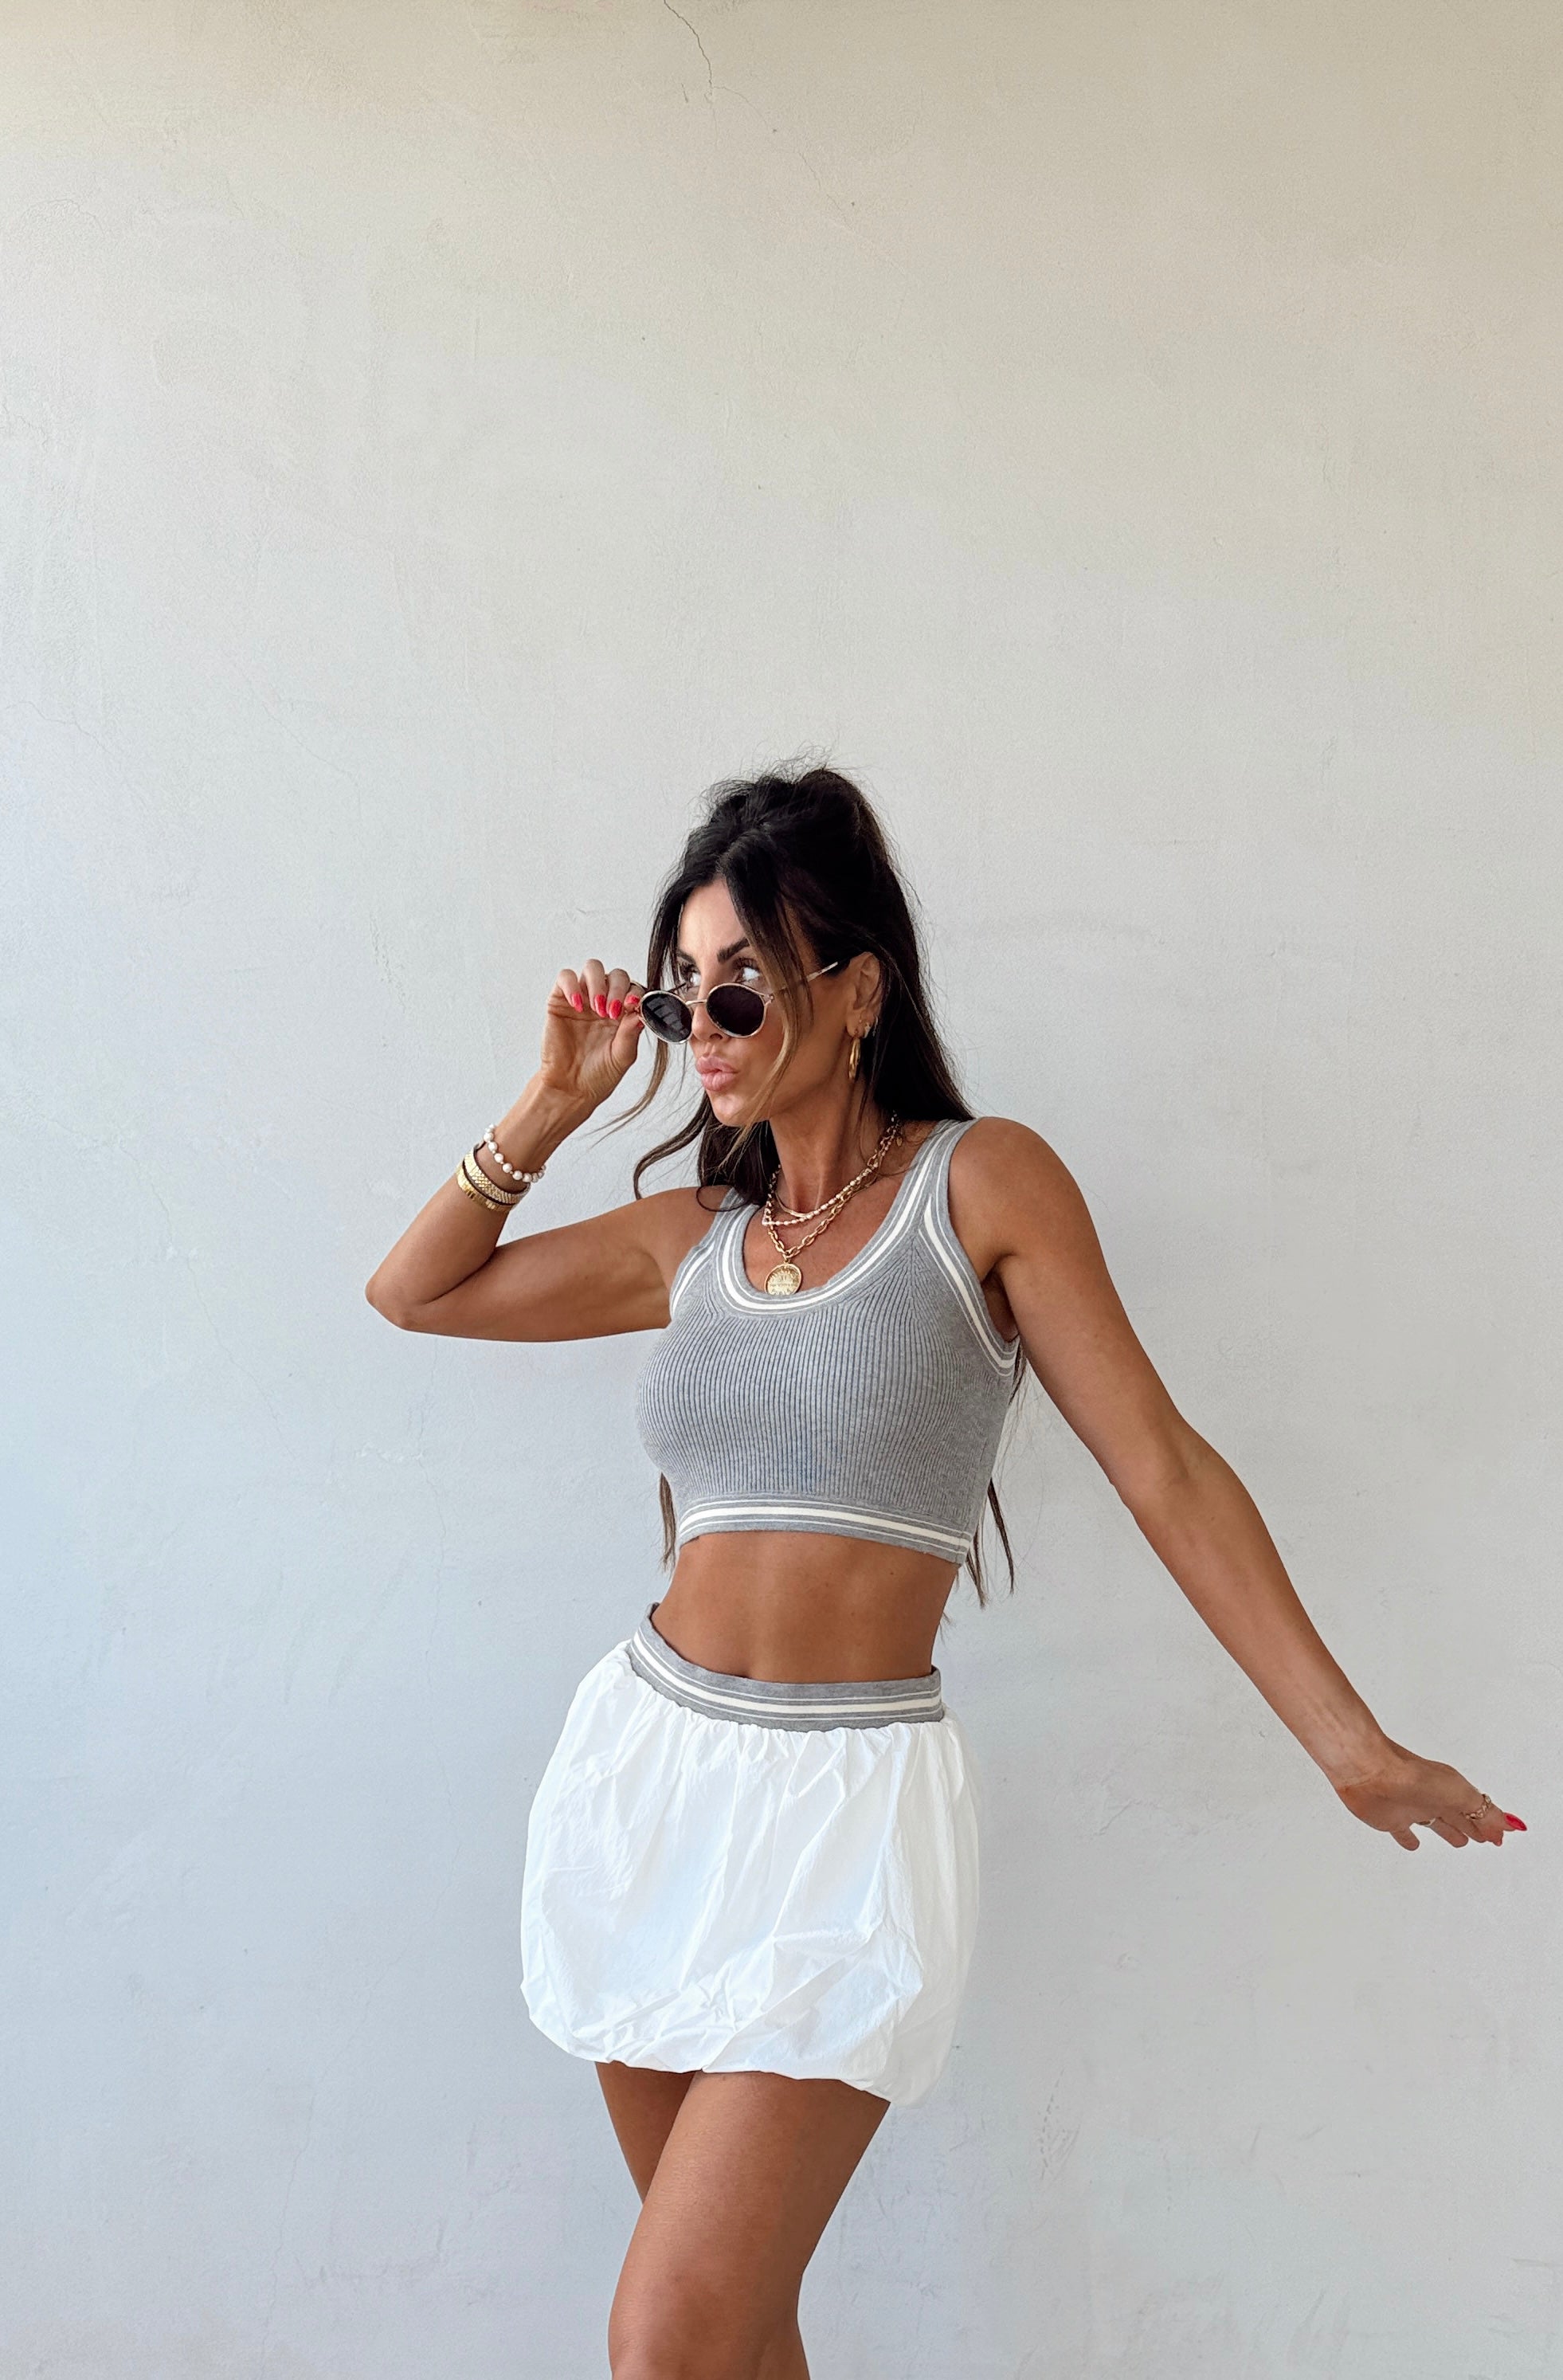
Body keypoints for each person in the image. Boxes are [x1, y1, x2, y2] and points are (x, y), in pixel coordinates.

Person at [365, 764, 1523, 2380]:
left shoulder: (980, 1186)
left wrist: (1349, 1743)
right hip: (648, 1783)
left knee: (667, 2338)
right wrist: (553, 1108)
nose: (704, 1025)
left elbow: (1165, 1467)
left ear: (857, 992)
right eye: (683, 989)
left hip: (841, 1816)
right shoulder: (694, 1237)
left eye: (742, 984)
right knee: (732, 2339)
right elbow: (414, 1293)